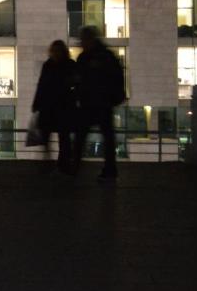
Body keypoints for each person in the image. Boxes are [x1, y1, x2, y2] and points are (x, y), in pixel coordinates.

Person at [76, 26, 126, 182]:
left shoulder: (89, 57)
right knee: (106, 137)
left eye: (83, 40)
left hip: (96, 103)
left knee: (82, 136)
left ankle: (76, 167)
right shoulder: (106, 56)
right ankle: (109, 170)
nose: (81, 43)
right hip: (101, 103)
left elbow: (81, 79)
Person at [31, 40, 78, 174]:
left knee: (62, 137)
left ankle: (60, 165)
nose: (56, 54)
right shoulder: (55, 65)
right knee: (55, 136)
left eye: (58, 51)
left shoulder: (54, 65)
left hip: (60, 107)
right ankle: (54, 164)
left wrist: (37, 103)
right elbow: (41, 85)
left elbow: (42, 85)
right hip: (53, 106)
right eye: (54, 51)